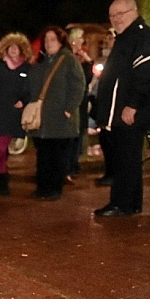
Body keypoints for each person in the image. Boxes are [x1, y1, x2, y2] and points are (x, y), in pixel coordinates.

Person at [93, 0, 150, 217]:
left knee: (126, 159)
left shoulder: (144, 37)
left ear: (133, 11)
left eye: (119, 14)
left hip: (128, 113)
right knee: (125, 159)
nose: (115, 19)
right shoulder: (125, 38)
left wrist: (132, 105)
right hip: (118, 113)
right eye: (112, 15)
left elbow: (145, 74)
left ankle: (122, 204)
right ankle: (130, 202)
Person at [28, 26, 86, 201]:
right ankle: (42, 187)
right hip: (43, 119)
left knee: (57, 156)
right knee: (43, 155)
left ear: (61, 41)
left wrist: (69, 109)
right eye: (46, 40)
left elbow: (78, 85)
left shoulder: (68, 60)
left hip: (61, 118)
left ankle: (54, 189)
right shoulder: (41, 62)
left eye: (52, 40)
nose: (48, 43)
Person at [0, 32, 33, 195]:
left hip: (14, 115)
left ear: (22, 49)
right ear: (5, 49)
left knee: (1, 147)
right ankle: (2, 179)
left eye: (17, 47)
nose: (14, 50)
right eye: (11, 47)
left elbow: (31, 89)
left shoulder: (27, 68)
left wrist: (23, 101)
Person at [66, 28, 94, 184]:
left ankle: (73, 165)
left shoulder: (82, 59)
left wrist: (86, 58)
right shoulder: (68, 58)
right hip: (71, 101)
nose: (82, 42)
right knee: (70, 134)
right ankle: (67, 168)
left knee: (78, 134)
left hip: (81, 101)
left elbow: (88, 78)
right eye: (80, 39)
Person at [89, 29, 117, 186]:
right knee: (105, 139)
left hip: (112, 106)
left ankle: (114, 173)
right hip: (102, 103)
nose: (108, 41)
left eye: (111, 38)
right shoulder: (105, 60)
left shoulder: (120, 59)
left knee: (111, 141)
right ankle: (109, 171)